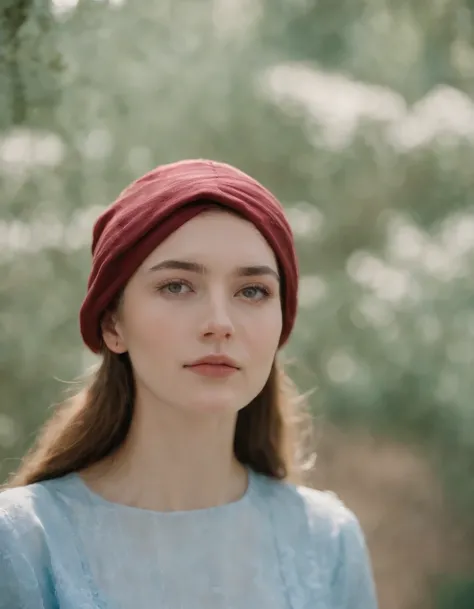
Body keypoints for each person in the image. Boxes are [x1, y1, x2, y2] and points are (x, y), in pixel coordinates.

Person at [0, 159, 378, 609]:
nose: (219, 324)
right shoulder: (24, 542)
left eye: (252, 291)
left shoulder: (328, 542)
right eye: (178, 286)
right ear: (112, 324)